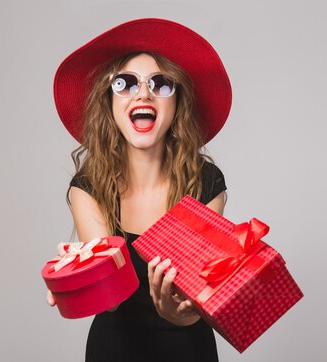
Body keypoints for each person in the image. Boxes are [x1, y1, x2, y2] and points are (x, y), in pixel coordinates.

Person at [46, 18, 232, 361]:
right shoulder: (88, 188)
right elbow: (113, 300)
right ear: (109, 103)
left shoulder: (206, 183)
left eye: (160, 84)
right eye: (125, 83)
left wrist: (182, 314)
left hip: (189, 349)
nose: (143, 93)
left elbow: (200, 296)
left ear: (177, 105)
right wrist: (77, 283)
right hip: (115, 349)